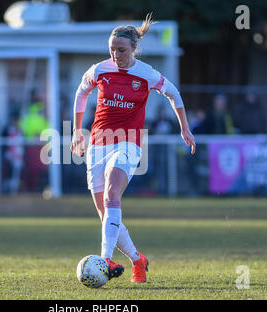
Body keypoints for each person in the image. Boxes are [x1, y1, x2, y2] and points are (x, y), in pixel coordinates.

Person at [70, 13, 196, 283]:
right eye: (112, 50)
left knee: (113, 192)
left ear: (134, 49)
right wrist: (78, 130)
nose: (116, 55)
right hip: (98, 143)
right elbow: (81, 93)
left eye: (122, 50)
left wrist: (184, 127)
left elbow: (174, 93)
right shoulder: (99, 70)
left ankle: (104, 259)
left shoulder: (147, 74)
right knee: (105, 214)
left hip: (129, 141)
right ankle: (138, 260)